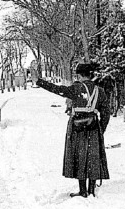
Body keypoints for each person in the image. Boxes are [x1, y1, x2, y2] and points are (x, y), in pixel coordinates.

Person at [37, 63, 111, 198]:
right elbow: (106, 113)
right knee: (93, 158)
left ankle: (82, 191)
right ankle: (92, 190)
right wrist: (100, 129)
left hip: (77, 128)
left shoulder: (76, 89)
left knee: (79, 157)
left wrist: (39, 82)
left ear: (79, 75)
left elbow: (56, 89)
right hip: (94, 128)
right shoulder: (100, 91)